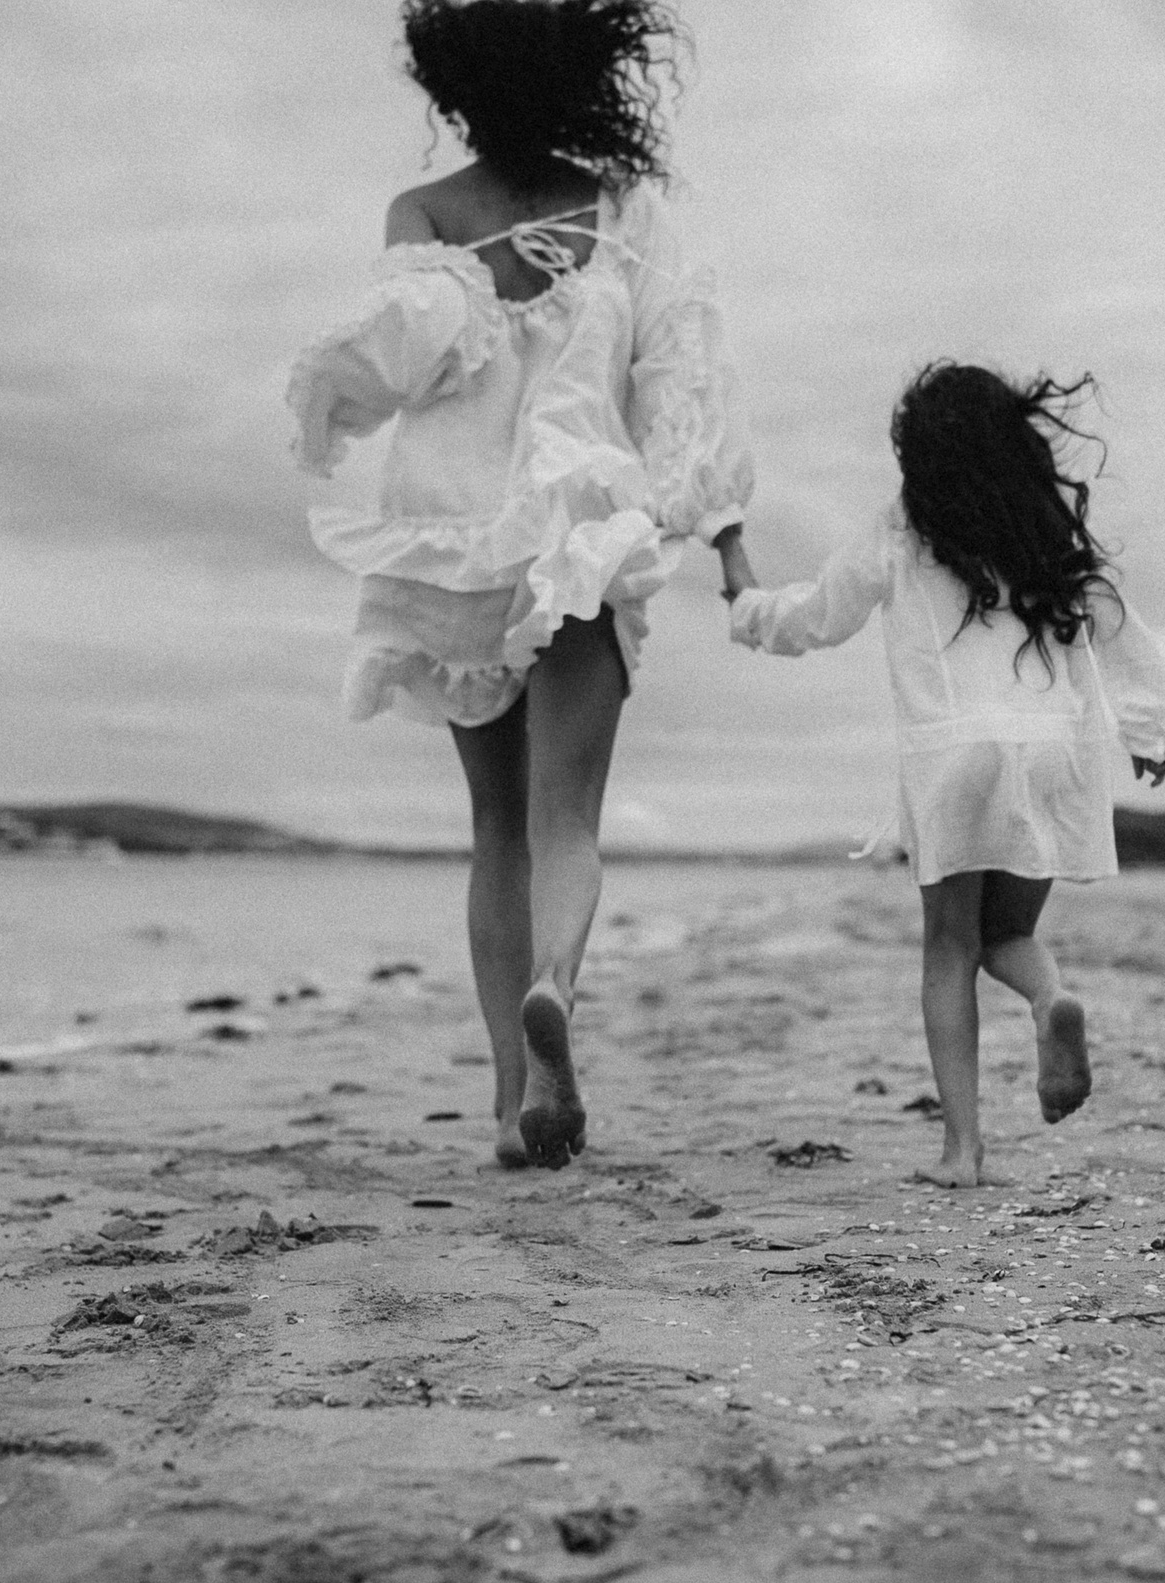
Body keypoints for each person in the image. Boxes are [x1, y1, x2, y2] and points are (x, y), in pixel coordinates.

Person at [288, 0, 755, 1170]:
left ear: (457, 87)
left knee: (492, 825)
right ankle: (556, 983)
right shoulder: (623, 209)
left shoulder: (426, 212)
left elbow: (408, 351)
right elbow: (680, 376)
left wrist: (348, 382)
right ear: (584, 76)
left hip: (454, 544)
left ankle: (510, 1101)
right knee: (565, 820)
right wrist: (689, 513)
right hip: (582, 531)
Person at [723, 363, 1165, 1187]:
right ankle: (1050, 1003)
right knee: (1008, 934)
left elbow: (819, 616)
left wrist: (747, 607)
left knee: (948, 946)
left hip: (953, 754)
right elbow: (1120, 626)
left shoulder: (902, 530)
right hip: (1055, 751)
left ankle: (962, 1152)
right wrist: (1150, 730)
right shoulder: (1049, 536)